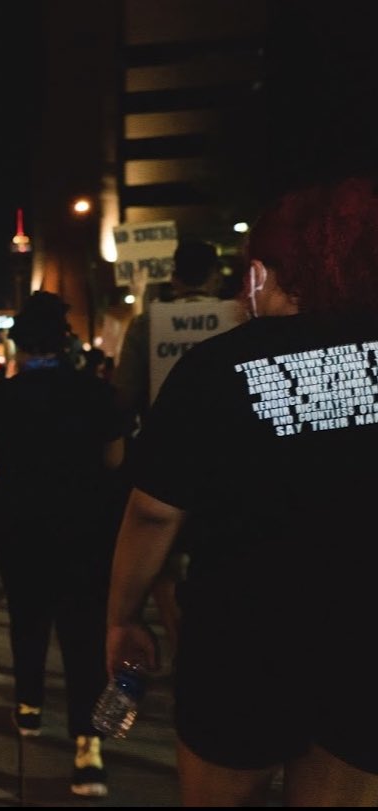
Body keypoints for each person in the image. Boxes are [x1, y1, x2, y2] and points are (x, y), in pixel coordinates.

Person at [104, 175, 378, 806]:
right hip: (364, 644)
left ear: (259, 275)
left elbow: (151, 514)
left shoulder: (215, 367)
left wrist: (122, 617)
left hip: (241, 642)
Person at [0, 290, 126, 798]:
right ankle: (87, 750)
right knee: (83, 631)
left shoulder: (4, 396)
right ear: (66, 340)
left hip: (19, 526)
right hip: (85, 528)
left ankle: (30, 705)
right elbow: (117, 461)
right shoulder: (96, 393)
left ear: (18, 344)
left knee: (28, 613)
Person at [110, 238, 227, 659]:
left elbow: (123, 395)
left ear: (174, 277)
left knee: (168, 565)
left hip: (172, 455)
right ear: (215, 276)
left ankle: (186, 647)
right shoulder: (239, 317)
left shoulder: (148, 324)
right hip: (235, 457)